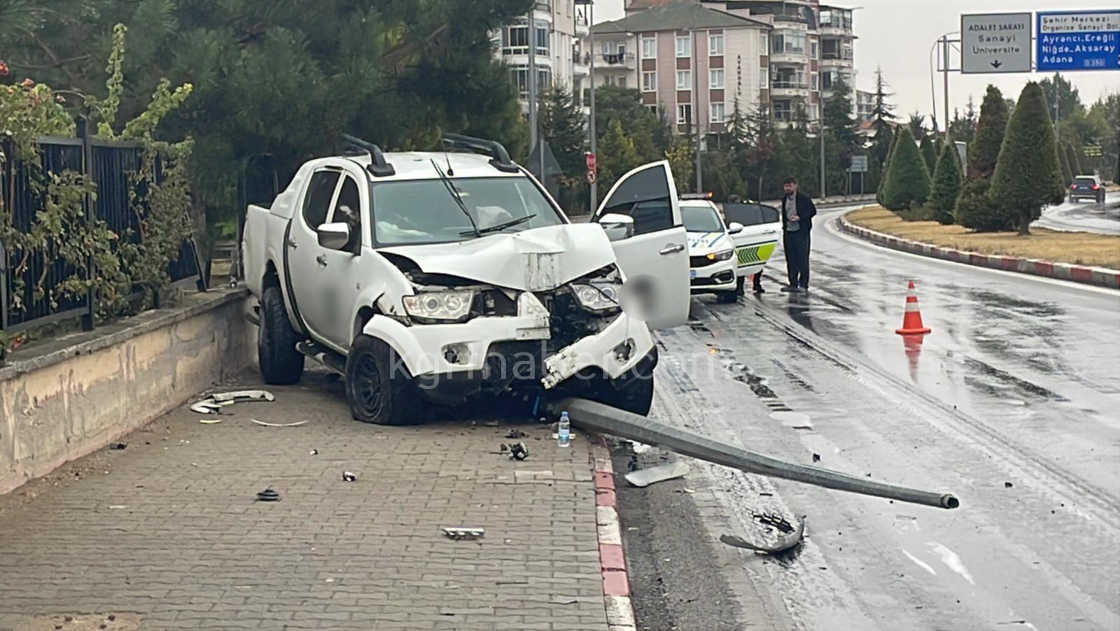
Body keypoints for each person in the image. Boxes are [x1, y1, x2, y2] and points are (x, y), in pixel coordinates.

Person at [779, 176, 816, 293]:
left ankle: (803, 284)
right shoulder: (784, 199)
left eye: (789, 186)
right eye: (786, 186)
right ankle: (793, 283)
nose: (787, 188)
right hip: (788, 232)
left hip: (801, 232)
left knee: (802, 259)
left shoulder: (803, 198)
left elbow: (813, 211)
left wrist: (800, 217)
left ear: (795, 186)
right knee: (791, 259)